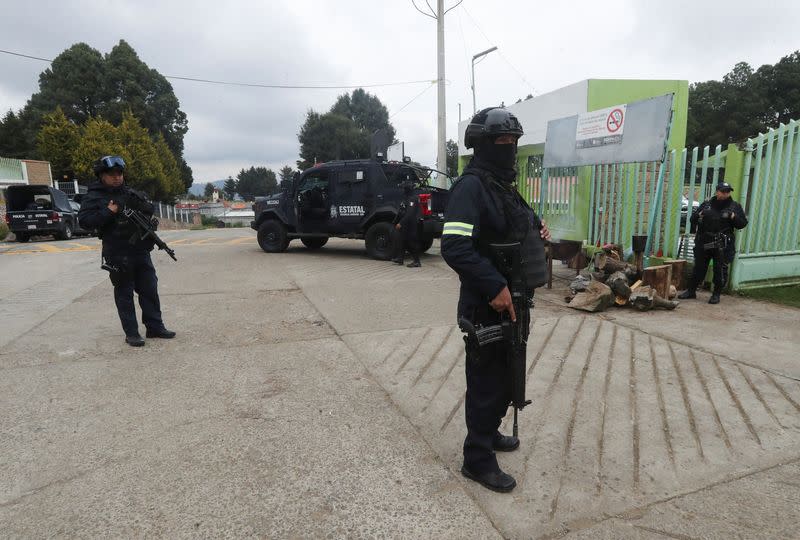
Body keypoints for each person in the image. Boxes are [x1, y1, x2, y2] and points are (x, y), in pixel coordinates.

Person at [441, 107, 550, 493]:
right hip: (487, 303)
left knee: (508, 373)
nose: (510, 148)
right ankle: (477, 458)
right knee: (486, 380)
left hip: (515, 298)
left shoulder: (503, 185)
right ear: (484, 145)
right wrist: (494, 287)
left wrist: (537, 226)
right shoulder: (470, 188)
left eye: (514, 141)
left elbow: (516, 220)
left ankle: (491, 432)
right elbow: (454, 246)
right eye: (502, 141)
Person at [78, 155, 176, 346]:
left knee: (149, 289)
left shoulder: (130, 193)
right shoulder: (94, 196)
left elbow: (149, 208)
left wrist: (143, 207)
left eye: (119, 173)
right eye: (112, 174)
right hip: (117, 252)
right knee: (124, 293)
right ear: (102, 176)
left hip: (140, 250)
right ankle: (131, 333)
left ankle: (154, 327)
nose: (117, 177)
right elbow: (85, 222)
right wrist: (109, 211)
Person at [678, 182, 748, 304]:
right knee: (699, 267)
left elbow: (742, 224)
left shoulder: (734, 206)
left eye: (728, 191)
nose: (726, 193)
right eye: (723, 191)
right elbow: (692, 220)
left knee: (719, 269)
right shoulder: (707, 204)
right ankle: (691, 291)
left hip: (722, 244)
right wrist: (700, 214)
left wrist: (733, 216)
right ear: (717, 191)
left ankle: (716, 294)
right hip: (704, 241)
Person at [391, 181, 422, 267]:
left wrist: (401, 223)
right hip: (407, 223)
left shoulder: (412, 198)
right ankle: (400, 259)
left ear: (407, 189)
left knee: (412, 242)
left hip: (412, 224)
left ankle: (417, 262)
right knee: (402, 240)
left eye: (404, 188)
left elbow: (410, 214)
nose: (403, 190)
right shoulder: (408, 197)